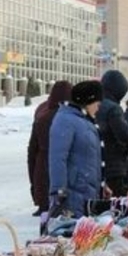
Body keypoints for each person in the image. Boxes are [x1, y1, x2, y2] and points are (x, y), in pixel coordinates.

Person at [48, 80, 103, 218]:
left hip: (87, 192)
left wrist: (102, 183)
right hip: (73, 195)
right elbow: (57, 157)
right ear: (88, 101)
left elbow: (90, 157)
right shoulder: (65, 120)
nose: (98, 108)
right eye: (97, 104)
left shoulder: (83, 121)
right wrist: (58, 191)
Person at [96, 70, 128, 196]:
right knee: (117, 202)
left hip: (98, 161)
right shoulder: (113, 108)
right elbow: (124, 133)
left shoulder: (95, 104)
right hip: (114, 163)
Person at [27, 81, 72, 216]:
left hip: (42, 170)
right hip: (64, 170)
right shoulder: (71, 118)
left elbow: (32, 151)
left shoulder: (42, 115)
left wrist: (34, 189)